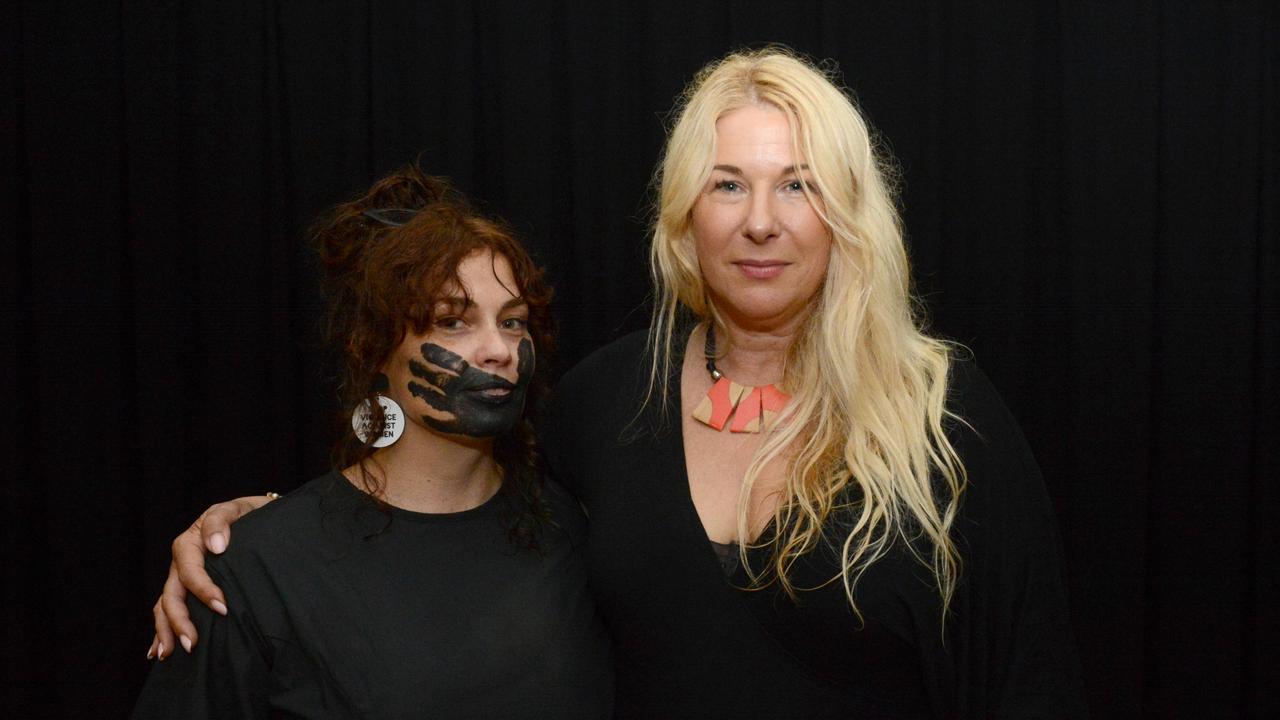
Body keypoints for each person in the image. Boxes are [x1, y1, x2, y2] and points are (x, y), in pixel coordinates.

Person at [149, 49, 1086, 718]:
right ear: (683, 220)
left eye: (798, 185)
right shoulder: (608, 403)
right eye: (727, 185)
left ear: (848, 214)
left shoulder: (944, 419)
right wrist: (248, 538)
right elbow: (445, 520)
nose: (761, 221)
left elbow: (1030, 683)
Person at [133, 167, 612, 718]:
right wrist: (251, 541)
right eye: (452, 322)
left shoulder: (575, 529)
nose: (498, 349)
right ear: (374, 348)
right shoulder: (259, 566)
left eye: (513, 321)